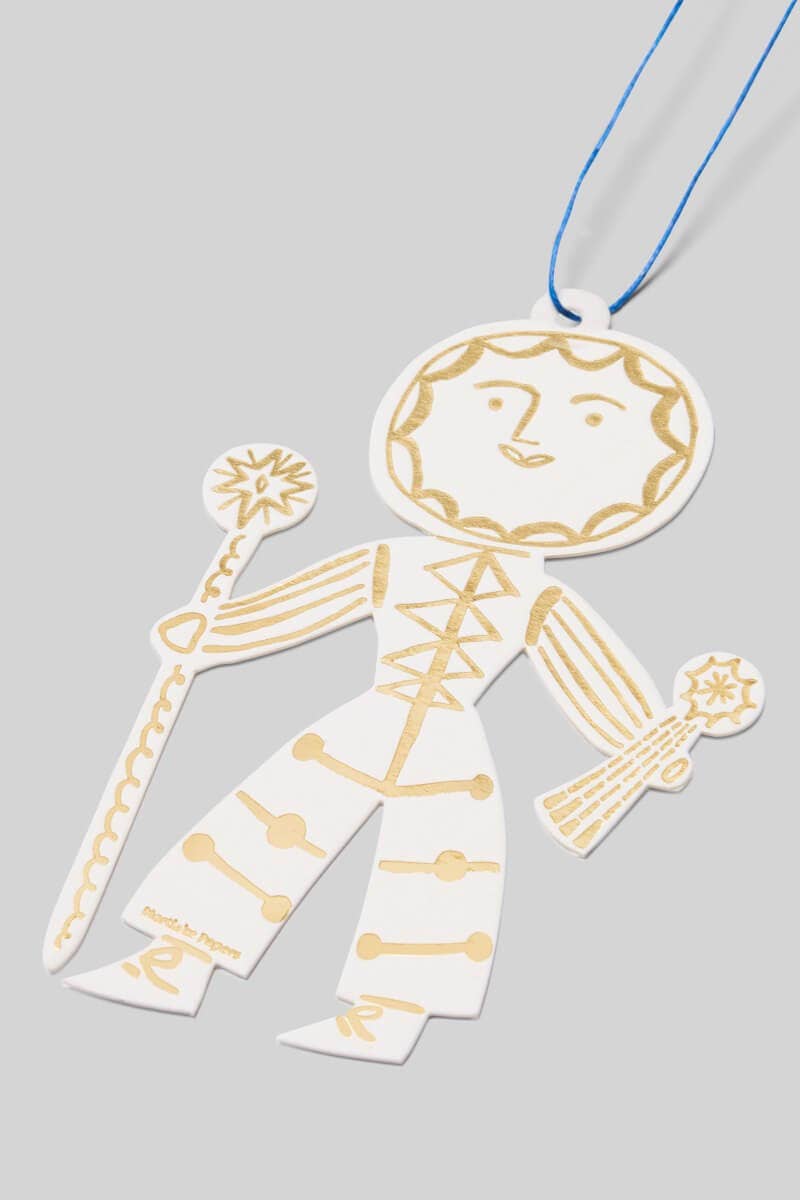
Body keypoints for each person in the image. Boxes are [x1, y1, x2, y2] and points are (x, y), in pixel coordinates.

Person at [64, 319, 712, 1063]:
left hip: (449, 745)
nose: (530, 438)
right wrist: (217, 633)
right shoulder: (392, 562)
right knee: (272, 820)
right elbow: (304, 605)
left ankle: (388, 1016)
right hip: (367, 720)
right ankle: (175, 960)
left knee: (437, 866)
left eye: (592, 424)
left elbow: (588, 672)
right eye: (499, 406)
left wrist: (643, 739)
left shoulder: (540, 597)